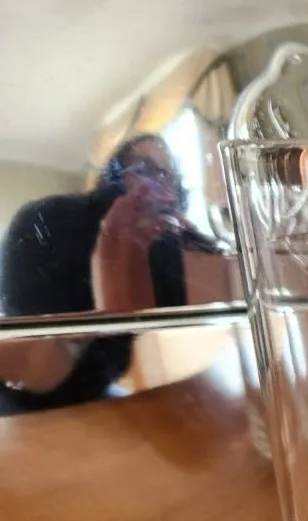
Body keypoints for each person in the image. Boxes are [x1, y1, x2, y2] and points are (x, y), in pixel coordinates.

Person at [0, 133, 220, 413]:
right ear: (114, 177)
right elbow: (28, 367)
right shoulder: (51, 219)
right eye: (143, 169)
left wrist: (194, 242)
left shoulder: (172, 251)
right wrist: (101, 313)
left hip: (126, 401)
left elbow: (228, 308)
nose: (157, 185)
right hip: (30, 413)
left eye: (168, 175)